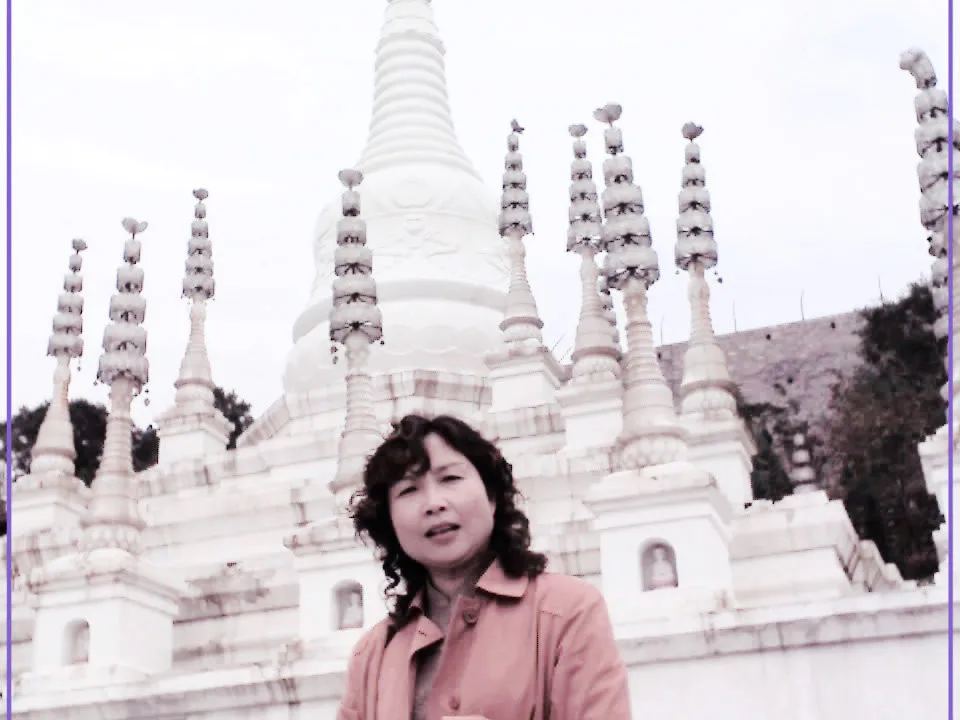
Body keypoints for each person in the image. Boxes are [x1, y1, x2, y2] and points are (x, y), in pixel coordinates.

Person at [338, 414, 631, 720]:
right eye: (408, 490)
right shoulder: (372, 654)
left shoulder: (568, 610)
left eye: (450, 479)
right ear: (390, 523)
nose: (434, 503)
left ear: (491, 497)